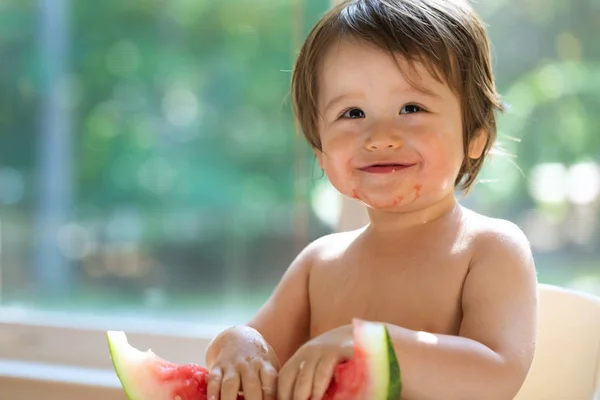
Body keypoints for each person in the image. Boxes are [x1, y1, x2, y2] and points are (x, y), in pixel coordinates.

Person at [205, 0, 539, 399]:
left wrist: (371, 343)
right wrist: (235, 342)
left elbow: (497, 376)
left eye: (411, 107)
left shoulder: (489, 249)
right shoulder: (319, 263)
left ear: (476, 135)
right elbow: (256, 355)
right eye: (352, 113)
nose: (381, 136)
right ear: (321, 152)